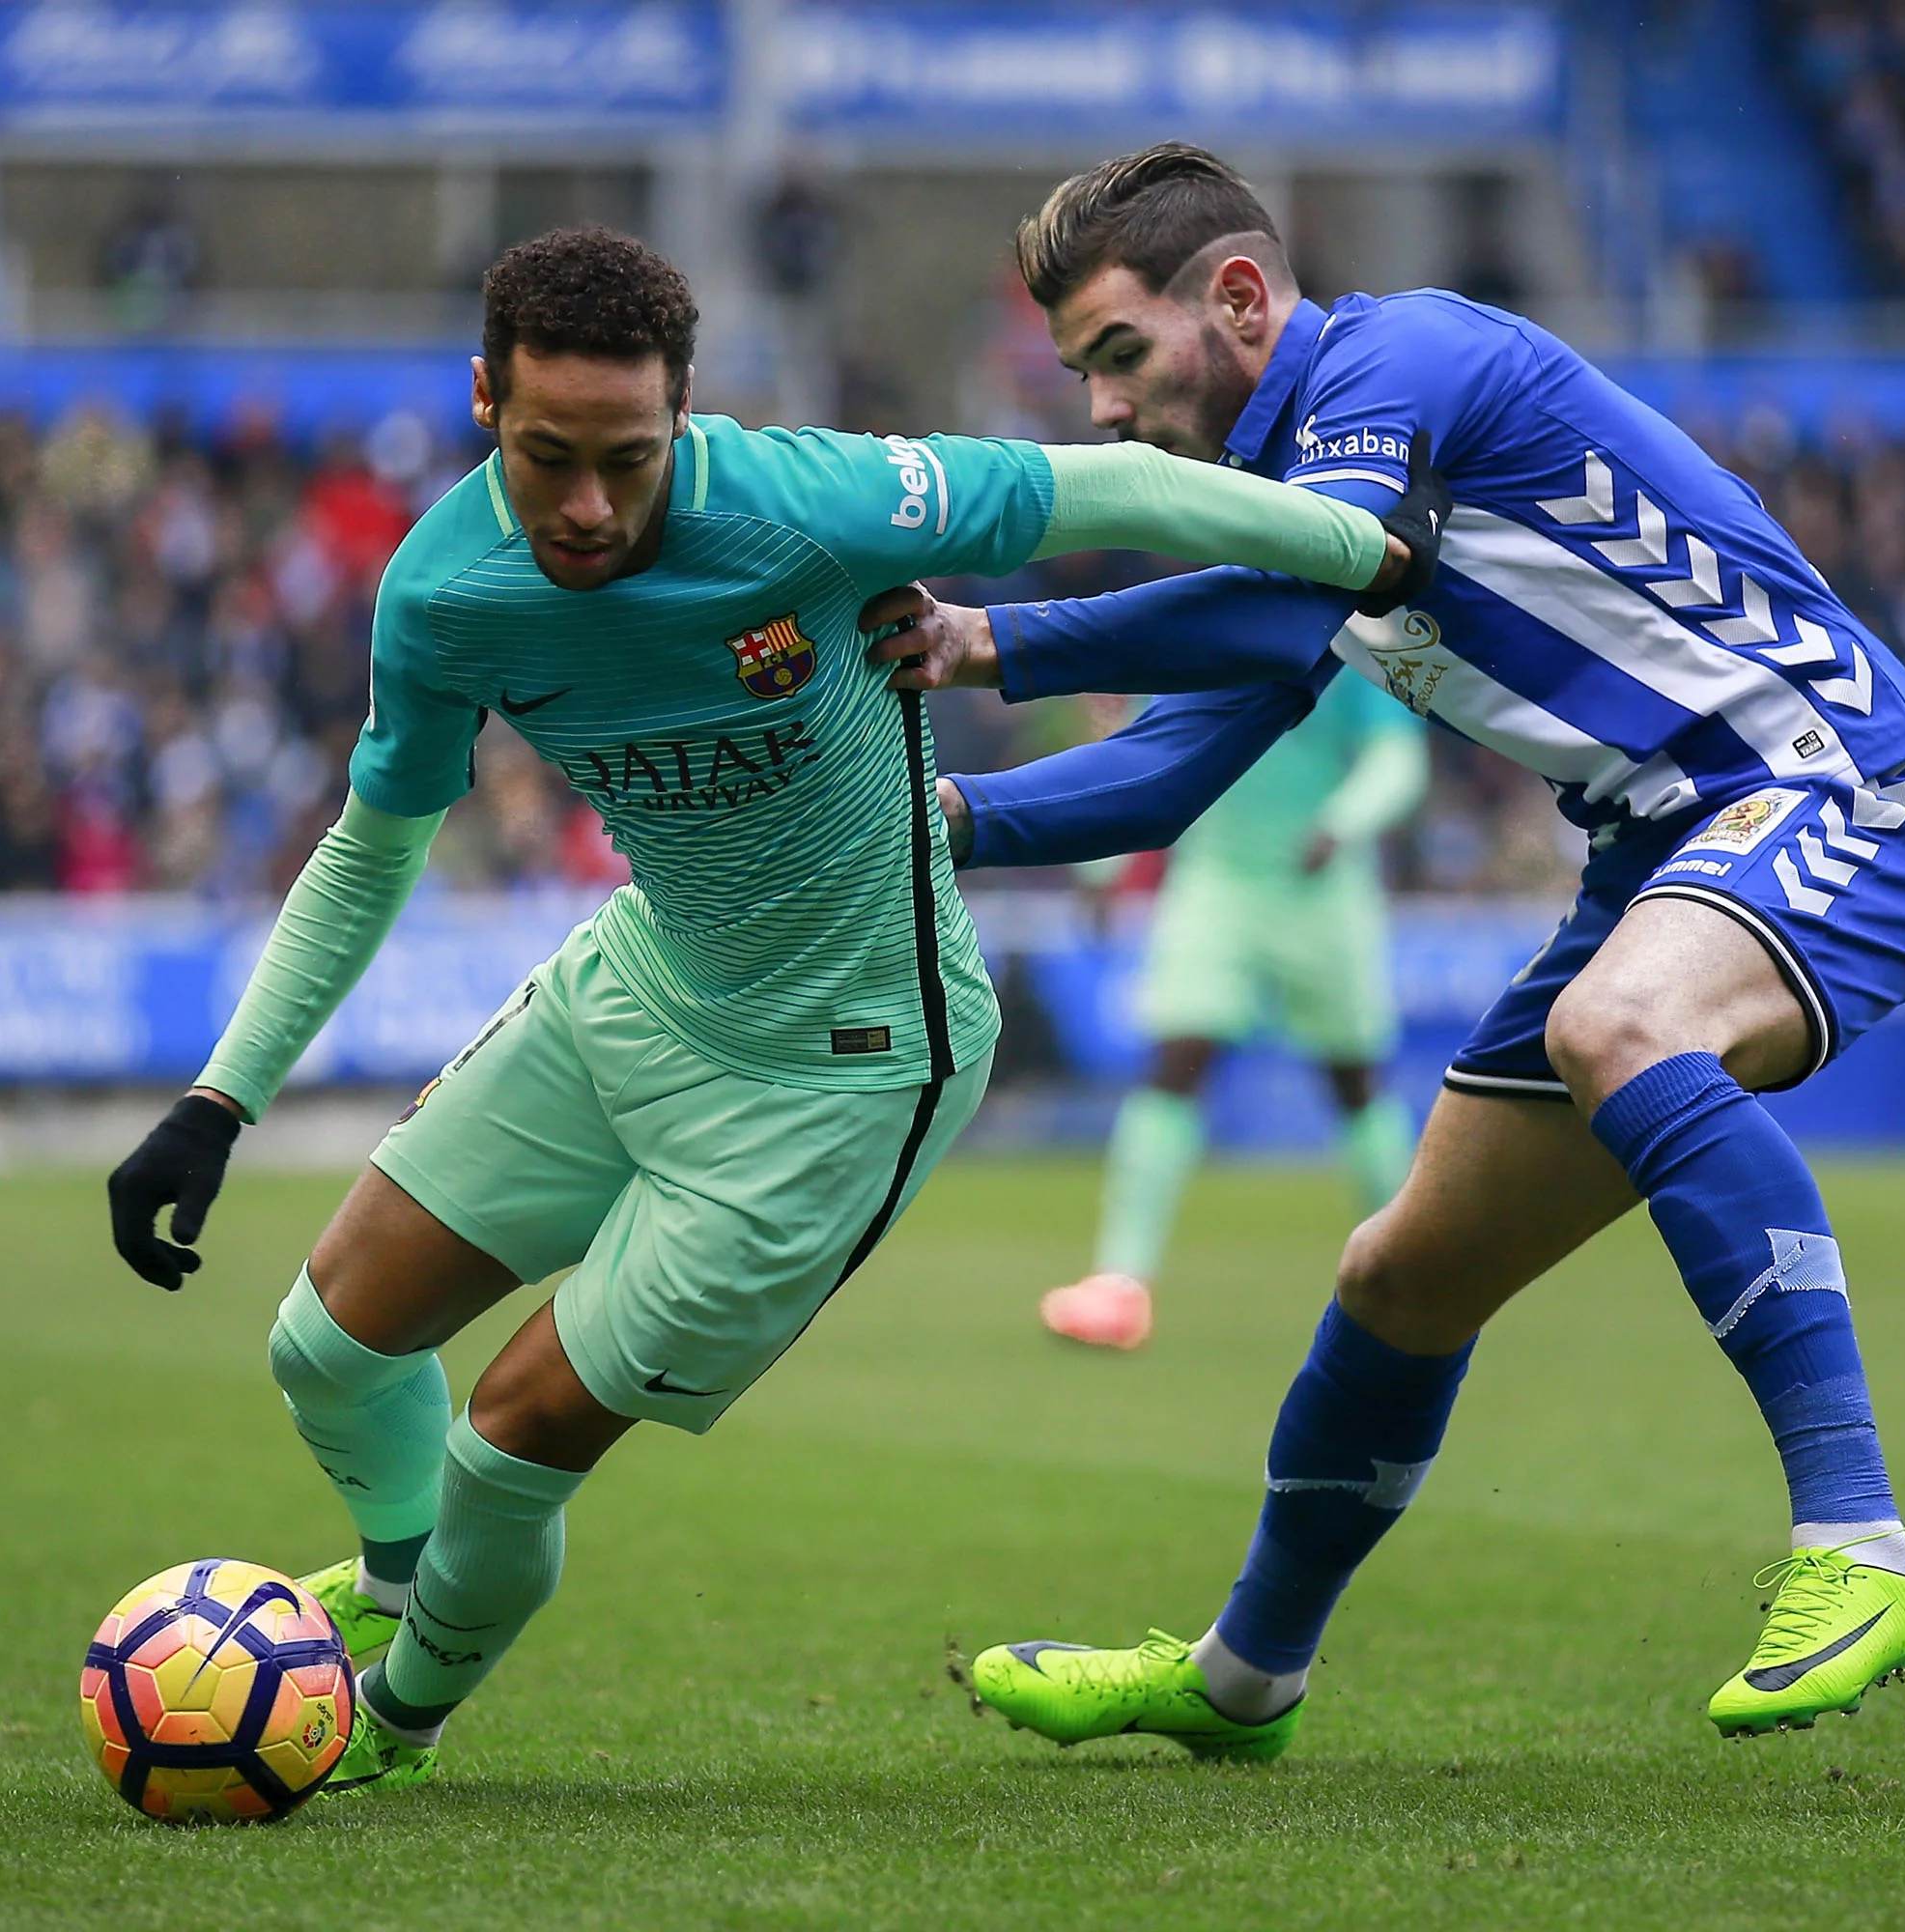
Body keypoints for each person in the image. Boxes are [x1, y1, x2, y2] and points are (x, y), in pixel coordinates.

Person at [102, 225, 1440, 1794]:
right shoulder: (445, 595)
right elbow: (372, 846)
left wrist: (1369, 555)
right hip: (649, 987)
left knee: (504, 1442)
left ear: (687, 416)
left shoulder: (811, 500)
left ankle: (388, 1719)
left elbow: (1119, 490)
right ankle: (399, 1592)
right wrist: (219, 1100)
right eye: (549, 460)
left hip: (846, 1067)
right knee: (323, 1348)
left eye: (631, 458)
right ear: (483, 404)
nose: (592, 506)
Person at [874, 145, 1905, 1755]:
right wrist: (935, 825)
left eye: (1119, 356)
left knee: (1621, 1029)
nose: (1104, 409)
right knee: (1400, 1276)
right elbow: (1168, 770)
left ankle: (1863, 1545)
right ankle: (1247, 1678)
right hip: (1661, 857)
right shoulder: (1301, 521)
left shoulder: (1403, 367)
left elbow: (1264, 613)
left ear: (1240, 299)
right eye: (1084, 375)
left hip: (1837, 786)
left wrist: (998, 637)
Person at [1042, 661, 1426, 1350]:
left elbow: (1398, 759)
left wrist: (1341, 822)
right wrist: (1099, 866)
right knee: (1176, 1058)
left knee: (1354, 1081)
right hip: (1215, 878)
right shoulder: (1198, 647)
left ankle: (1416, 1270)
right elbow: (1141, 754)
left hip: (1323, 886)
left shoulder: (1347, 652)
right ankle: (1119, 1282)